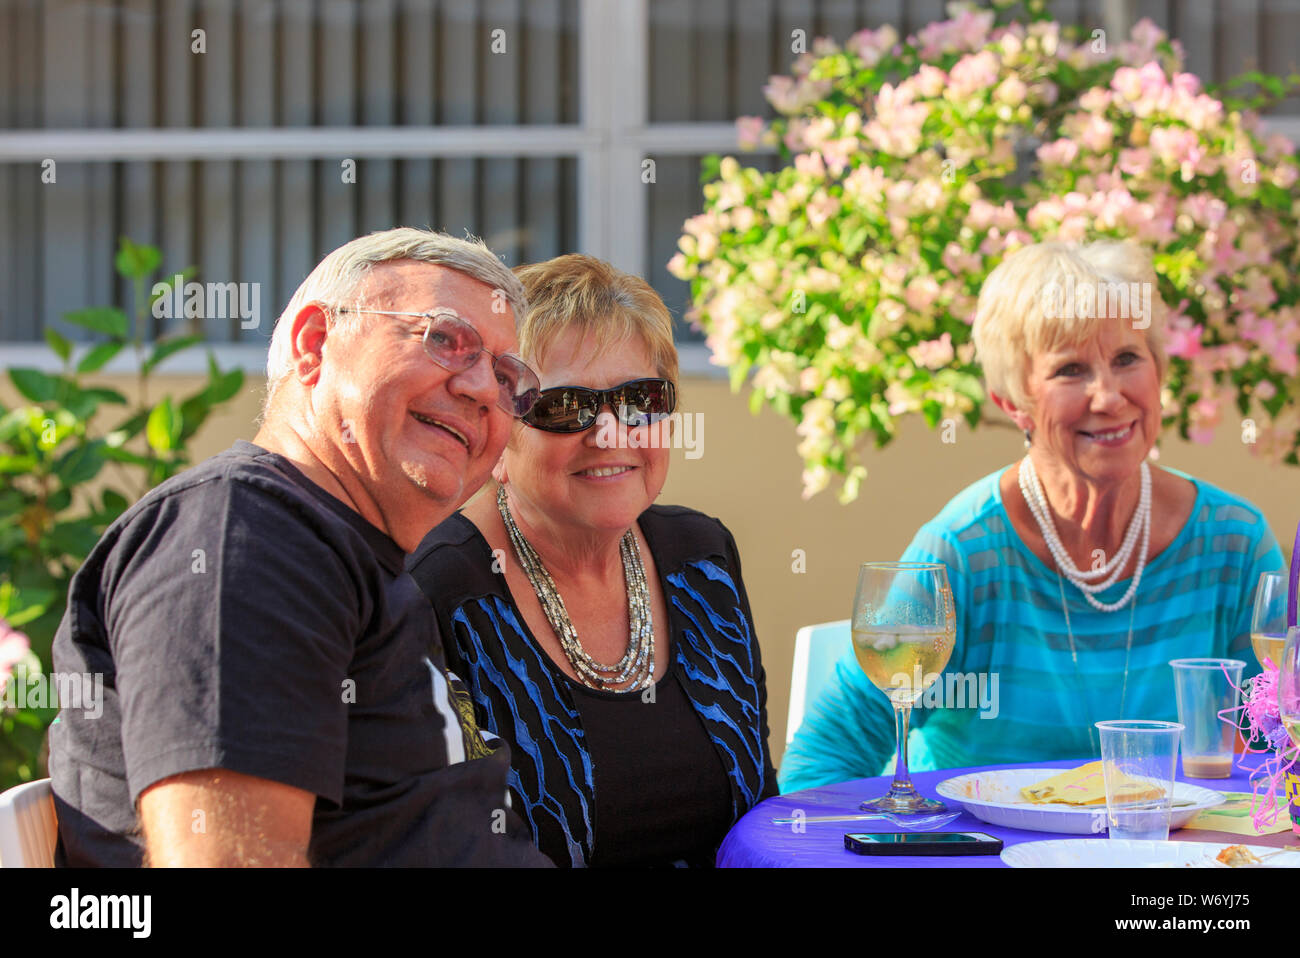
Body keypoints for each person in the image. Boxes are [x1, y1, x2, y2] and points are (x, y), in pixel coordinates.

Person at [49, 227, 552, 866]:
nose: (483, 390)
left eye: (509, 379)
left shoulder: (349, 551)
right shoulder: (248, 530)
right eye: (446, 340)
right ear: (314, 344)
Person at [780, 240, 1284, 792]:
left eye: (1127, 359)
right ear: (1012, 402)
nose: (1109, 396)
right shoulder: (961, 554)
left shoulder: (1234, 544)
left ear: (1159, 371)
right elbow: (824, 760)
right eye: (1071, 370)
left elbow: (1281, 750)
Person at [406, 254, 777, 867]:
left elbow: (757, 804)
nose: (610, 433)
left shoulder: (701, 559)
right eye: (562, 407)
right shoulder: (437, 592)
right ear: (496, 428)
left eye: (640, 399)